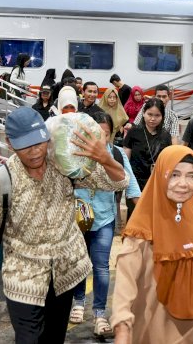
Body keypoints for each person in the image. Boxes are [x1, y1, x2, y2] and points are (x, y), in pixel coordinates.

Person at [0, 107, 128, 343]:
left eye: (39, 142)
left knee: (54, 339)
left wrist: (104, 158)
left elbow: (117, 182)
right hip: (24, 280)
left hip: (65, 275)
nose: (34, 152)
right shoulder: (2, 180)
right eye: (25, 145)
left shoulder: (63, 164)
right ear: (9, 143)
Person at [111, 145, 193, 344]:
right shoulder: (144, 220)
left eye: (190, 175)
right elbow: (126, 278)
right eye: (174, 175)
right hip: (157, 320)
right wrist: (122, 325)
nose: (184, 184)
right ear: (161, 174)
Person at [69, 112, 142, 337]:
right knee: (78, 263)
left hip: (104, 219)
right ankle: (78, 302)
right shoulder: (75, 153)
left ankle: (100, 313)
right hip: (77, 218)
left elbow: (130, 185)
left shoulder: (117, 155)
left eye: (106, 135)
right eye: (95, 134)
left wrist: (144, 216)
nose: (100, 140)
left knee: (100, 266)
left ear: (112, 134)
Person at [123, 98, 172, 216]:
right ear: (143, 113)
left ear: (162, 117)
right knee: (136, 215)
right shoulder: (134, 132)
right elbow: (126, 160)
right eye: (149, 114)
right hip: (136, 182)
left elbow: (167, 161)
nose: (153, 119)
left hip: (157, 182)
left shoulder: (165, 136)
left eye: (157, 115)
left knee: (154, 215)